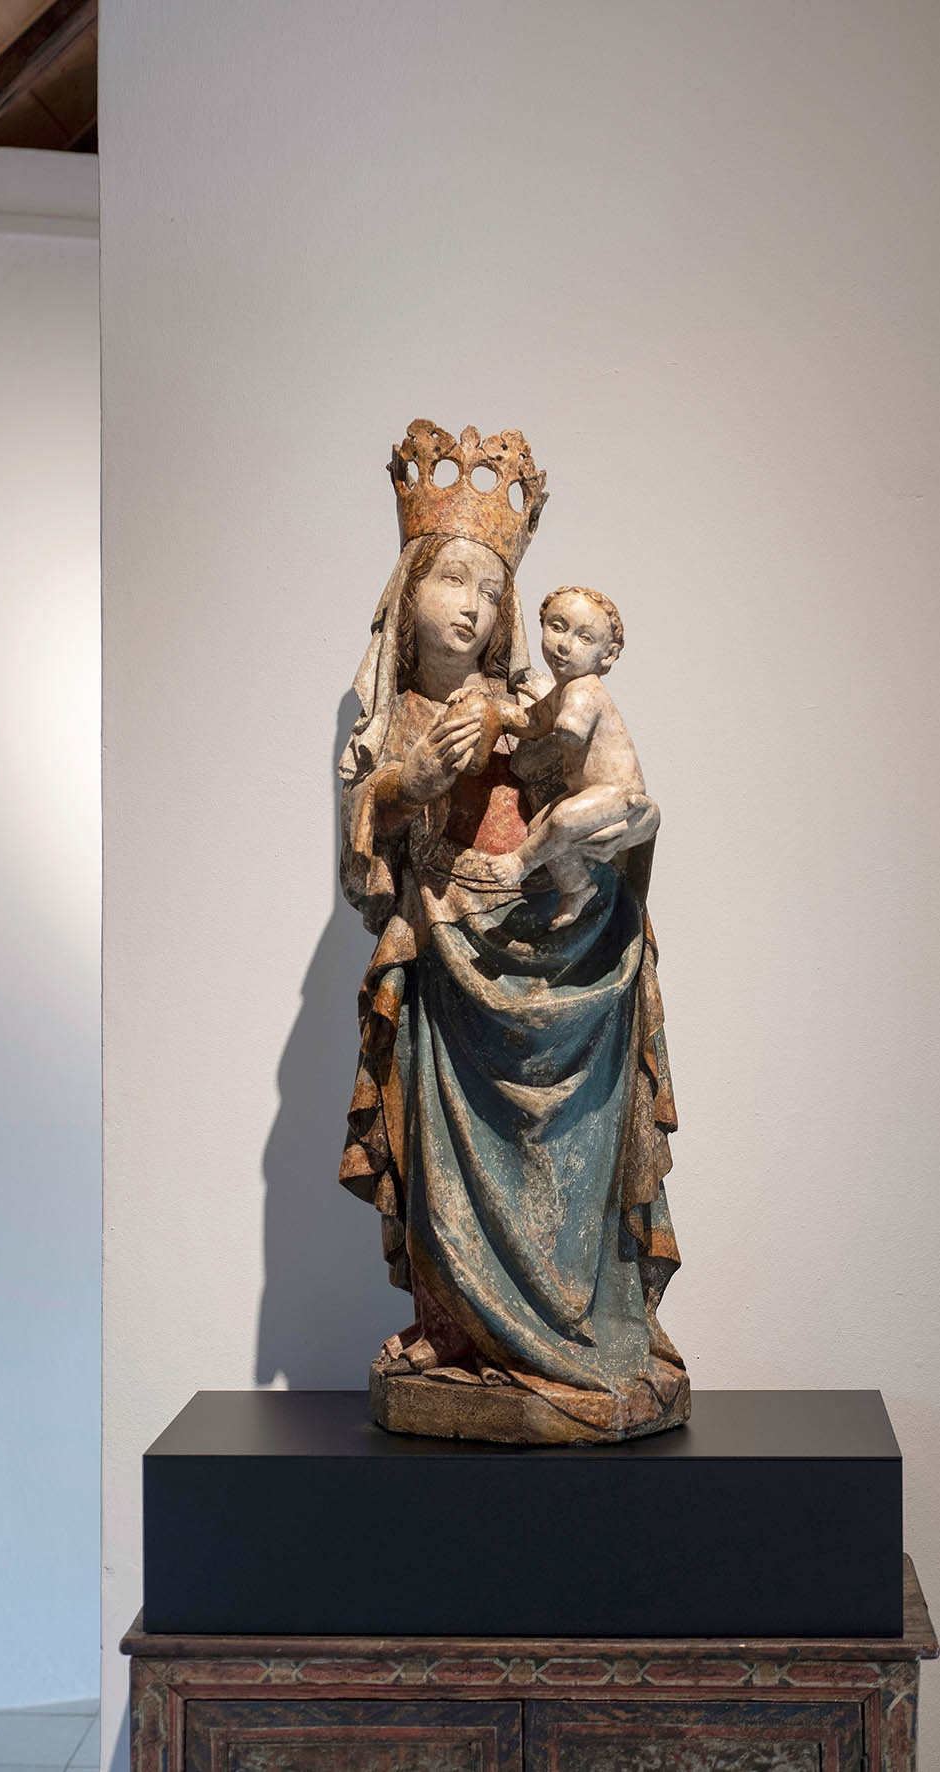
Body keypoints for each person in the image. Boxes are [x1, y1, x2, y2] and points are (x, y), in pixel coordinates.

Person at [337, 420, 687, 1443]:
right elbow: (363, 869)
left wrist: (609, 819)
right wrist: (408, 783)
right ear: (409, 590)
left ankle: (582, 1321)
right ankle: (454, 1331)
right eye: (453, 580)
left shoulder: (533, 699)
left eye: (492, 592)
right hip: (447, 960)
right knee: (439, 1154)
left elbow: (595, 795)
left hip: (550, 954)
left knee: (561, 1151)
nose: (473, 606)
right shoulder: (387, 722)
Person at [476, 585, 653, 929]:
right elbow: (530, 722)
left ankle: (519, 863)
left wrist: (559, 723)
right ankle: (577, 888)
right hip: (588, 792)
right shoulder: (563, 691)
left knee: (562, 822)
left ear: (607, 656)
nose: (564, 645)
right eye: (557, 627)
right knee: (540, 828)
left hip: (618, 793)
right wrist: (493, 711)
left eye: (584, 638)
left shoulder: (584, 689)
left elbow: (570, 729)